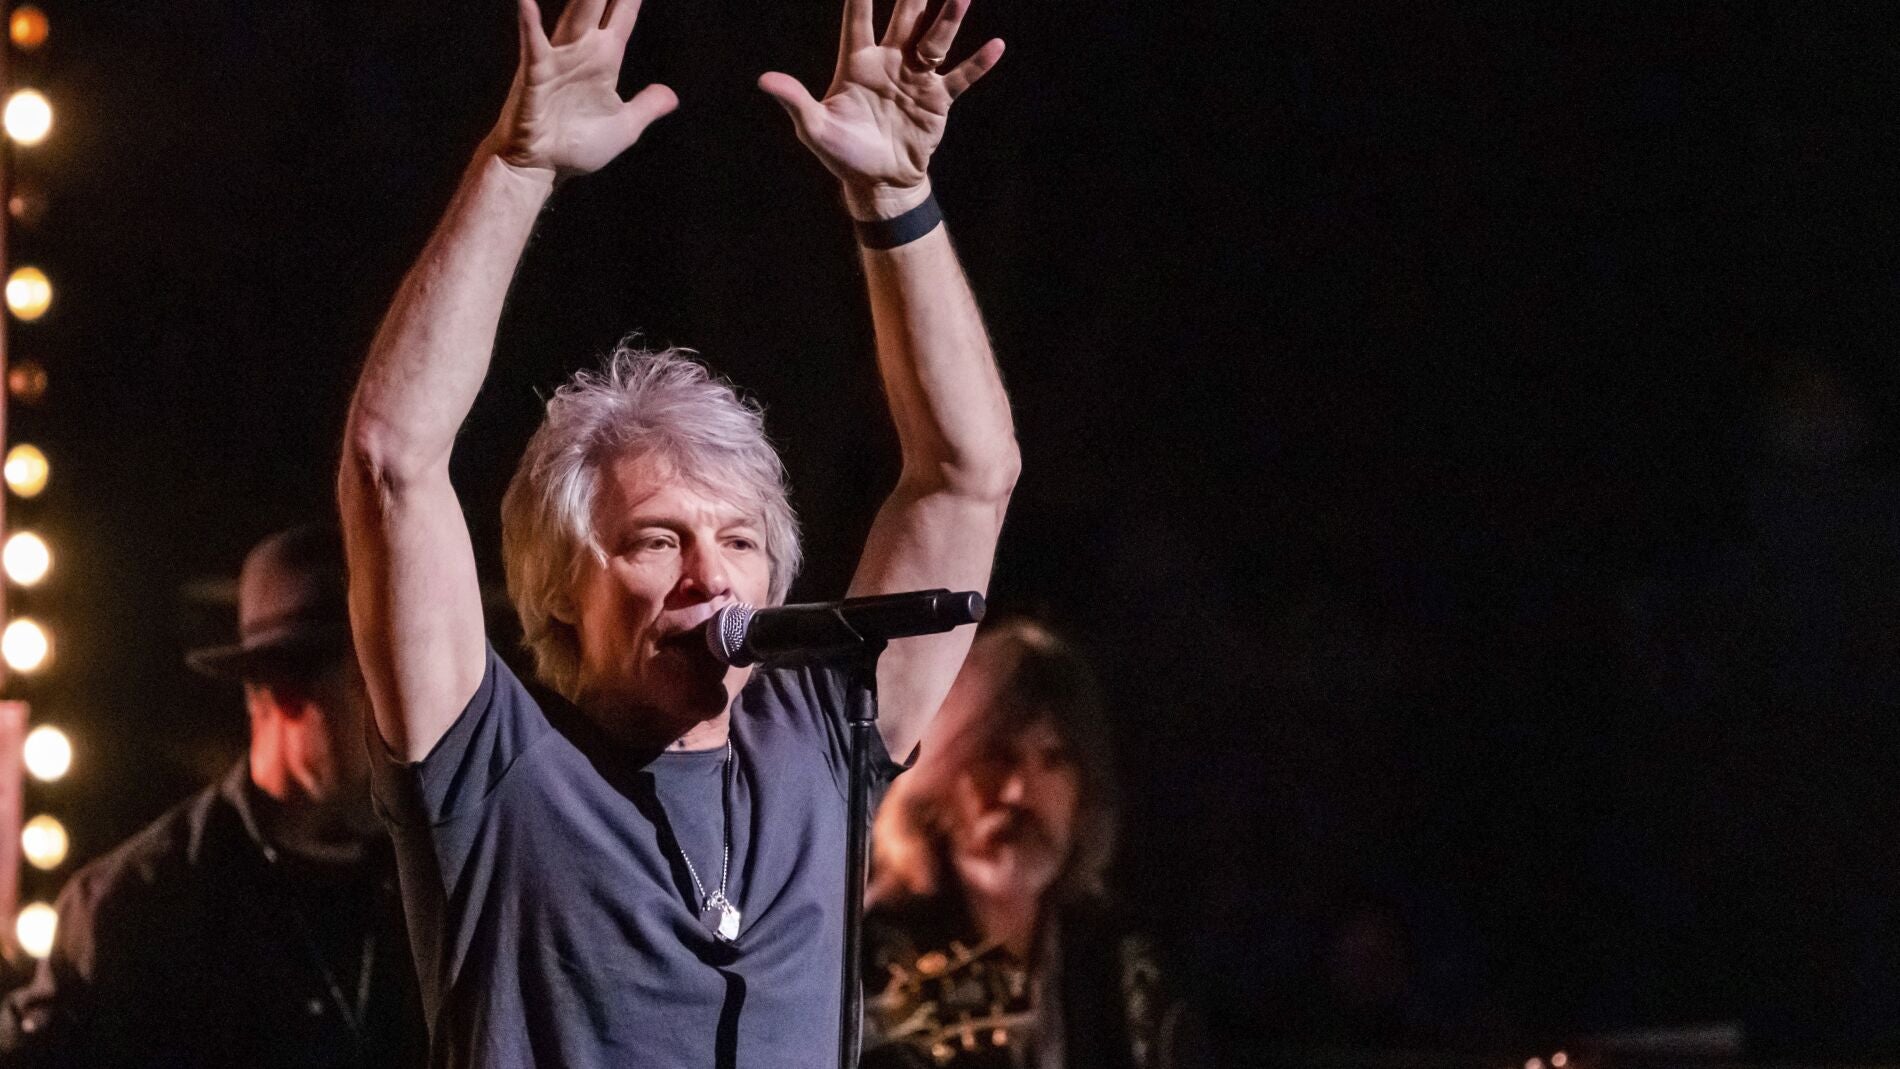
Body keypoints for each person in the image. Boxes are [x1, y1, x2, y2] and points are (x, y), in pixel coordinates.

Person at [334, 0, 1017, 1064]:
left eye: (740, 541)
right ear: (560, 584)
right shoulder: (495, 766)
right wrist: (517, 169)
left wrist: (896, 199)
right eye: (657, 541)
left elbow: (967, 476)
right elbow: (391, 463)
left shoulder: (819, 740)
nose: (711, 576)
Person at [0, 526, 426, 1068]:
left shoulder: (438, 878)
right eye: (375, 687)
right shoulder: (137, 906)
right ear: (286, 691)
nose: (407, 722)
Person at [862, 619, 1204, 1069]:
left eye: (1053, 758)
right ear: (940, 775)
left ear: (1084, 789)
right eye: (997, 756)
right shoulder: (865, 957)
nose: (1018, 791)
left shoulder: (1125, 961)